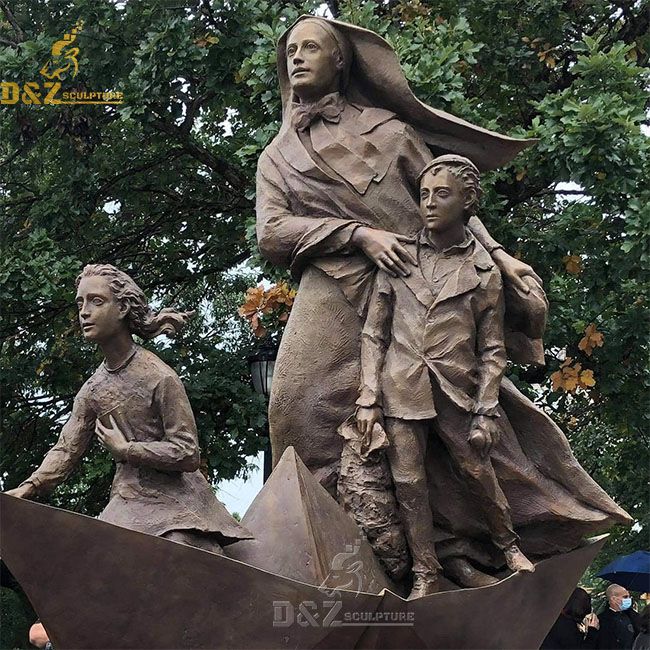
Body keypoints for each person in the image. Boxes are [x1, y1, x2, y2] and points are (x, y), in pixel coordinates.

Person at [256, 14, 630, 583]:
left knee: (443, 424)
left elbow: (455, 207)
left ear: (341, 63)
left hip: (420, 286)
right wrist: (357, 234)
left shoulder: (391, 133)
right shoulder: (277, 158)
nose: (297, 57)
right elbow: (272, 233)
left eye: (312, 47)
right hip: (332, 285)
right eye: (291, 50)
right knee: (294, 409)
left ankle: (451, 552)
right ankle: (330, 559)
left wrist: (500, 257)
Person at [354, 155, 534, 597]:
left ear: (468, 201)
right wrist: (368, 396)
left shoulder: (484, 271)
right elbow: (374, 334)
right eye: (424, 195)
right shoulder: (397, 259)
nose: (429, 204)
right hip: (400, 386)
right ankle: (425, 573)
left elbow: (492, 349)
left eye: (442, 194)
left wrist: (487, 408)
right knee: (409, 483)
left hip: (458, 389)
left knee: (476, 470)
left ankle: (508, 545)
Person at [6, 264, 251, 553]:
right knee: (96, 561)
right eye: (80, 303)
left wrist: (127, 450)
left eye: (96, 301)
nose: (84, 312)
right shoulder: (93, 389)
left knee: (179, 551)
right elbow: (66, 449)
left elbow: (187, 452)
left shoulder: (159, 376)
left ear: (122, 308)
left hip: (177, 502)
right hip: (129, 498)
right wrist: (29, 487)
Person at [597, 584, 641, 649]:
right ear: (613, 599)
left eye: (629, 597)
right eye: (625, 597)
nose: (629, 599)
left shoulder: (632, 615)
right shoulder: (602, 619)